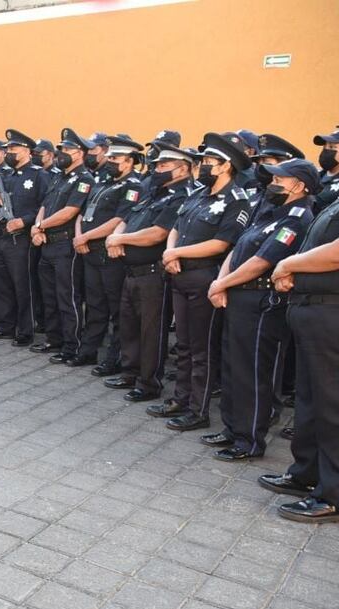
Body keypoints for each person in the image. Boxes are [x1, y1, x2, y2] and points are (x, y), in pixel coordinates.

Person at [261, 131, 339, 523]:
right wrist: (295, 272)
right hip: (314, 308)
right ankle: (305, 474)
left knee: (337, 406)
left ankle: (335, 495)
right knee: (310, 400)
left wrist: (287, 266)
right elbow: (316, 244)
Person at [206, 158, 317, 462]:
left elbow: (262, 262)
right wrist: (222, 282)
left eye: (280, 179)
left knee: (253, 372)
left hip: (261, 302)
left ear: (300, 186)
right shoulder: (268, 211)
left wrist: (220, 285)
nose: (272, 183)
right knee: (231, 366)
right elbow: (237, 249)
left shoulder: (297, 218)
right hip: (237, 296)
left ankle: (249, 440)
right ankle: (232, 428)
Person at [147, 132, 251, 431]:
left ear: (226, 166)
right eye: (204, 160)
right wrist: (171, 253)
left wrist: (176, 252)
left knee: (201, 349)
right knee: (184, 344)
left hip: (205, 277)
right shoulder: (197, 195)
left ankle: (198, 409)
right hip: (179, 273)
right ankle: (180, 398)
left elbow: (221, 244)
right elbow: (176, 227)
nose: (203, 166)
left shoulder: (236, 201)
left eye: (209, 161)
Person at [104, 140, 192, 402]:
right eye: (156, 165)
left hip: (154, 273)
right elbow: (129, 219)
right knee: (130, 324)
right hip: (132, 270)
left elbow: (158, 233)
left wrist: (120, 240)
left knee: (151, 330)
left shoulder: (181, 196)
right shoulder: (156, 192)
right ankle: (130, 372)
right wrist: (114, 238)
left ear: (183, 169)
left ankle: (148, 382)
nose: (158, 169)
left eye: (165, 165)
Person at [72, 136, 144, 370]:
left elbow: (119, 219)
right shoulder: (103, 180)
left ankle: (114, 359)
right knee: (94, 305)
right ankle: (88, 351)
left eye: (116, 158)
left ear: (129, 162)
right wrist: (79, 235)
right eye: (110, 156)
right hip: (89, 250)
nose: (110, 161)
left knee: (117, 309)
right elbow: (83, 212)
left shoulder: (133, 186)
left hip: (109, 254)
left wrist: (87, 237)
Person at [30, 128, 95, 362]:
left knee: (68, 297)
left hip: (65, 246)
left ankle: (72, 346)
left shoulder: (84, 179)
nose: (63, 153)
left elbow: (70, 211)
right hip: (47, 244)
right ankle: (53, 339)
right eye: (62, 149)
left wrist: (40, 226)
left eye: (68, 149)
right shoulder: (59, 176)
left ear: (80, 154)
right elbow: (45, 205)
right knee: (49, 297)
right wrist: (36, 227)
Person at [0, 129, 51, 346]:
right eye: (8, 149)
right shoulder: (3, 176)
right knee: (1, 283)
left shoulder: (39, 175)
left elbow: (46, 205)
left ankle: (25, 330)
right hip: (0, 235)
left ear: (27, 151)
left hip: (21, 238)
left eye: (14, 149)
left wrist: (26, 221)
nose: (10, 152)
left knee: (23, 285)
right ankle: (4, 326)